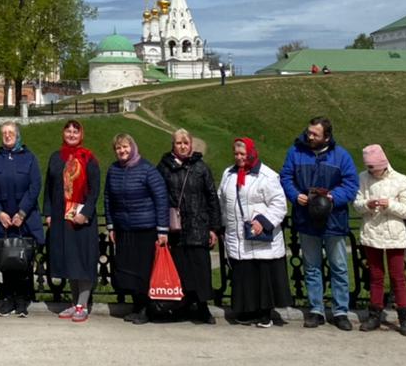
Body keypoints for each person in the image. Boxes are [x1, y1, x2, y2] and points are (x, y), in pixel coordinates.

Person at [280, 116, 360, 330]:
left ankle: (340, 310)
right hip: (307, 218)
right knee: (312, 266)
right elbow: (286, 177)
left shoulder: (340, 156)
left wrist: (334, 196)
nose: (310, 136)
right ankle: (316, 309)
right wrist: (296, 195)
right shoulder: (296, 152)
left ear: (327, 137)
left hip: (333, 219)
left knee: (339, 266)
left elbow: (352, 183)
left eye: (315, 134)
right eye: (309, 132)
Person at [218, 137, 289, 327]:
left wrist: (263, 222)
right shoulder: (229, 174)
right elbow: (223, 200)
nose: (239, 157)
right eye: (236, 154)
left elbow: (279, 205)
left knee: (262, 274)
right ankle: (247, 311)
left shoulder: (267, 176)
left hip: (259, 234)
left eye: (242, 154)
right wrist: (223, 224)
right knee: (245, 275)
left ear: (250, 153)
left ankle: (264, 313)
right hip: (237, 234)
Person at [103, 132, 169, 325]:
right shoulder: (113, 170)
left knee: (144, 271)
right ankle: (136, 304)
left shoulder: (147, 169)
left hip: (145, 228)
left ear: (133, 147)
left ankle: (147, 308)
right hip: (124, 228)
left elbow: (161, 198)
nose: (122, 151)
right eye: (118, 148)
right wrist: (110, 225)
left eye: (125, 147)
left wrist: (162, 229)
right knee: (128, 270)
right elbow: (108, 198)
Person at [157, 128, 221, 324]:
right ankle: (181, 305)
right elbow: (158, 196)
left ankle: (203, 307)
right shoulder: (164, 167)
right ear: (173, 145)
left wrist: (213, 227)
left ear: (191, 145)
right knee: (180, 269)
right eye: (179, 143)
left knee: (200, 269)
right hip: (175, 228)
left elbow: (212, 197)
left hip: (197, 225)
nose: (183, 147)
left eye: (186, 143)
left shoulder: (201, 168)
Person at [354, 144, 406, 336]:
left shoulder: (401, 180)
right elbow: (356, 204)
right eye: (369, 167)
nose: (371, 171)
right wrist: (368, 204)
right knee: (375, 275)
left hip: (394, 234)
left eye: (374, 167)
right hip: (372, 232)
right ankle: (375, 314)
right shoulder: (363, 178)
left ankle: (404, 318)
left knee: (398, 277)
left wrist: (390, 204)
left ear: (383, 164)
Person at [44, 119, 101, 323]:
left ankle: (82, 304)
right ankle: (73, 301)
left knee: (82, 260)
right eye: (68, 131)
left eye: (75, 131)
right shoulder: (56, 157)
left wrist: (85, 213)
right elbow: (49, 188)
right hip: (62, 217)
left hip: (81, 218)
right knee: (69, 260)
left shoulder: (88, 158)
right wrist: (48, 213)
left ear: (81, 135)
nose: (71, 134)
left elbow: (95, 190)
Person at [0, 121, 44, 318]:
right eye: (4, 133)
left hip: (23, 221)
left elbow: (35, 186)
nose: (8, 136)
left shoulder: (29, 158)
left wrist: (22, 212)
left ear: (17, 136)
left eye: (11, 133)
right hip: (2, 222)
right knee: (5, 261)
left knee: (23, 261)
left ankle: (22, 300)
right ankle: (7, 298)